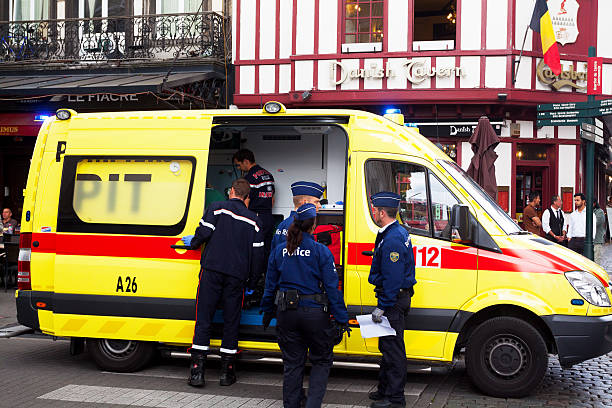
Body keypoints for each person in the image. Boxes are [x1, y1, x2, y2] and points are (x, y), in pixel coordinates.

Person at [261, 203, 349, 408]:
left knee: (293, 363)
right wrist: (342, 319)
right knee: (321, 361)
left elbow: (269, 286)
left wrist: (266, 310)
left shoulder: (280, 251)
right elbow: (332, 289)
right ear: (314, 225)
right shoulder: (321, 251)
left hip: (286, 314)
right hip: (315, 316)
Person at [182, 178, 264, 388]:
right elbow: (258, 257)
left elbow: (204, 233)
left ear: (231, 192)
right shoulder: (254, 220)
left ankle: (197, 373)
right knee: (231, 322)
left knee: (204, 320)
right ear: (247, 198)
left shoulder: (216, 208)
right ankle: (226, 374)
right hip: (236, 277)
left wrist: (194, 242)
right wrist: (253, 283)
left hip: (211, 272)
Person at [367, 192, 416, 408]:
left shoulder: (393, 239)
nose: (373, 212)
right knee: (387, 347)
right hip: (395, 299)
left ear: (381, 212)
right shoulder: (395, 232)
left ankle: (395, 399)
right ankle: (384, 390)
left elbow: (393, 279)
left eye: (374, 210)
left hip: (393, 302)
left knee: (394, 351)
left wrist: (382, 306)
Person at [233, 149, 275, 261]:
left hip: (255, 217)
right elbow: (272, 199)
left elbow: (246, 202)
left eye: (238, 165)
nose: (239, 168)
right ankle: (265, 275)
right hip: (268, 216)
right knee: (266, 248)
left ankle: (254, 276)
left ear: (246, 161)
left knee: (252, 249)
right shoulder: (268, 175)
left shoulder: (249, 179)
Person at [271, 181, 324, 250]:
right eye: (316, 202)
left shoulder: (282, 224)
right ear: (305, 203)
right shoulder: (302, 226)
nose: (319, 206)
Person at [593, 200, 606, 264]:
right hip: (588, 241)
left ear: (594, 203)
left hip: (597, 240)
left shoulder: (600, 212)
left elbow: (596, 223)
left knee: (596, 260)